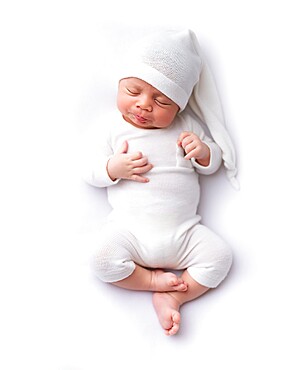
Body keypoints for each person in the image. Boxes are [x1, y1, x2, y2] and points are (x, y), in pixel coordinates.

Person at [81, 28, 238, 336]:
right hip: (129, 233)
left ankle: (174, 295)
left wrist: (204, 152)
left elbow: (212, 164)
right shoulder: (111, 128)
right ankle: (151, 281)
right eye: (133, 91)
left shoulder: (188, 125)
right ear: (120, 84)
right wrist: (112, 168)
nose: (143, 105)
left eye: (162, 101)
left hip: (184, 233)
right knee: (100, 260)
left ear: (179, 106)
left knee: (221, 257)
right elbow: (90, 170)